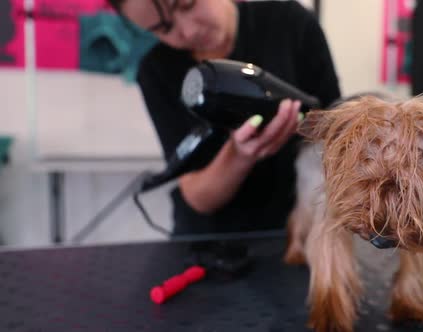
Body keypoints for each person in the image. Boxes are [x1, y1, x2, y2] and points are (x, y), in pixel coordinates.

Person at [107, 0, 341, 235]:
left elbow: (338, 133)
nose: (189, 31)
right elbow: (197, 197)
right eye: (164, 29)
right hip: (212, 242)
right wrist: (238, 156)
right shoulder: (156, 70)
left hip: (302, 230)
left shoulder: (292, 23)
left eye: (187, 5)